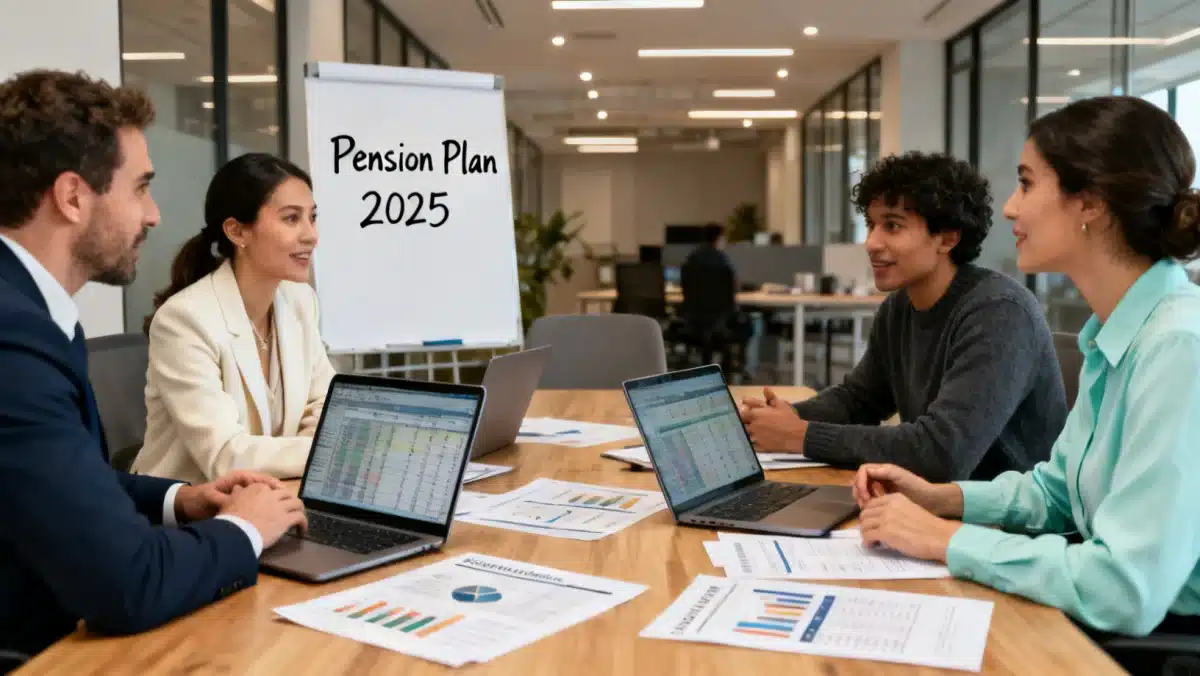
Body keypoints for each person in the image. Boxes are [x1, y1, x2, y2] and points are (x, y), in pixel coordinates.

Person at [852, 96, 1200, 650]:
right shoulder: (1116, 335)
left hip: (1151, 642)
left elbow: (1125, 589)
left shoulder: (1179, 347)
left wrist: (946, 539)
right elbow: (1056, 493)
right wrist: (943, 498)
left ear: (1089, 203)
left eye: (1027, 183)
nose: (1011, 208)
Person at [0, 69, 308, 659]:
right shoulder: (12, 339)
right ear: (72, 197)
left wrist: (181, 500)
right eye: (140, 187)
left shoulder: (29, 312)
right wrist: (243, 527)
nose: (154, 215)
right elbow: (128, 582)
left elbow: (56, 480)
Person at [741, 152, 1067, 482]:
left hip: (1005, 523)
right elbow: (860, 400)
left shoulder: (999, 313)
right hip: (938, 505)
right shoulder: (900, 307)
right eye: (871, 224)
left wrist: (800, 436)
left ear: (948, 238)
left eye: (893, 226)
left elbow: (941, 452)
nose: (871, 243)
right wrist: (779, 418)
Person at [132, 153, 336, 484]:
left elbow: (324, 407)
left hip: (274, 494)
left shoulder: (300, 301)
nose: (311, 235)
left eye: (312, 218)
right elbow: (226, 456)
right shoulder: (184, 320)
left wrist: (317, 446)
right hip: (187, 515)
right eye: (291, 219)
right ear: (237, 232)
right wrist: (329, 452)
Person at [678, 222, 753, 375]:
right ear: (719, 239)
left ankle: (724, 362)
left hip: (694, 322)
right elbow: (732, 287)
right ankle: (739, 366)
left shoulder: (691, 260)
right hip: (722, 323)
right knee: (751, 324)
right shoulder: (722, 261)